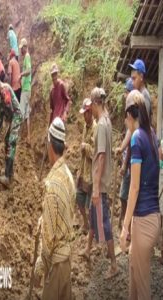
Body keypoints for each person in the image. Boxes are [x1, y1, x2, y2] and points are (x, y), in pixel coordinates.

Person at [119, 90, 161, 300]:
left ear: (129, 115)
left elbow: (134, 188)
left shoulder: (137, 138)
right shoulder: (152, 134)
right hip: (152, 219)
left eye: (125, 118)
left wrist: (125, 227)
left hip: (143, 222)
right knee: (133, 269)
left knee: (143, 288)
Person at [34, 117, 76, 299]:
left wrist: (39, 268)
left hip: (57, 265)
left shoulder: (52, 186)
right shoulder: (67, 175)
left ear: (50, 145)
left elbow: (49, 239)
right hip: (66, 260)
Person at [80, 87, 118, 279]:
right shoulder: (107, 121)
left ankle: (113, 264)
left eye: (92, 107)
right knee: (94, 216)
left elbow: (101, 157)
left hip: (100, 184)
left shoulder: (102, 125)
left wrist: (95, 188)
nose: (91, 112)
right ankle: (87, 249)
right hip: (101, 182)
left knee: (103, 223)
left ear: (96, 104)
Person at [0, 77, 23, 187]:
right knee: (6, 142)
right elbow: (0, 117)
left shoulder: (4, 89)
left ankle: (7, 176)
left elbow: (9, 106)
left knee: (11, 142)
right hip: (12, 118)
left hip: (16, 116)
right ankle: (10, 173)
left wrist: (7, 122)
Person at [76, 98, 97, 233]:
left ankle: (91, 228)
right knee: (79, 198)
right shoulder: (85, 126)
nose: (84, 116)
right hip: (83, 169)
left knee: (89, 205)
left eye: (86, 113)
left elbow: (96, 152)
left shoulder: (95, 128)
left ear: (90, 112)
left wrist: (86, 147)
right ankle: (85, 223)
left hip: (91, 172)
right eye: (83, 114)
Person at [116, 78, 133, 230]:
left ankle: (126, 224)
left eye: (126, 92)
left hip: (131, 163)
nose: (125, 95)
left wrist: (125, 163)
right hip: (127, 160)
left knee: (125, 195)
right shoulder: (129, 109)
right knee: (123, 196)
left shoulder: (133, 112)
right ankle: (123, 221)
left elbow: (131, 138)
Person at [19, 38, 32, 145]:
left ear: (24, 47)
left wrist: (21, 75)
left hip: (26, 89)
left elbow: (28, 70)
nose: (20, 51)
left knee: (21, 112)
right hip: (27, 89)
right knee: (27, 113)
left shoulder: (27, 57)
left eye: (21, 49)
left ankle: (19, 137)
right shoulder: (27, 57)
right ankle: (28, 137)